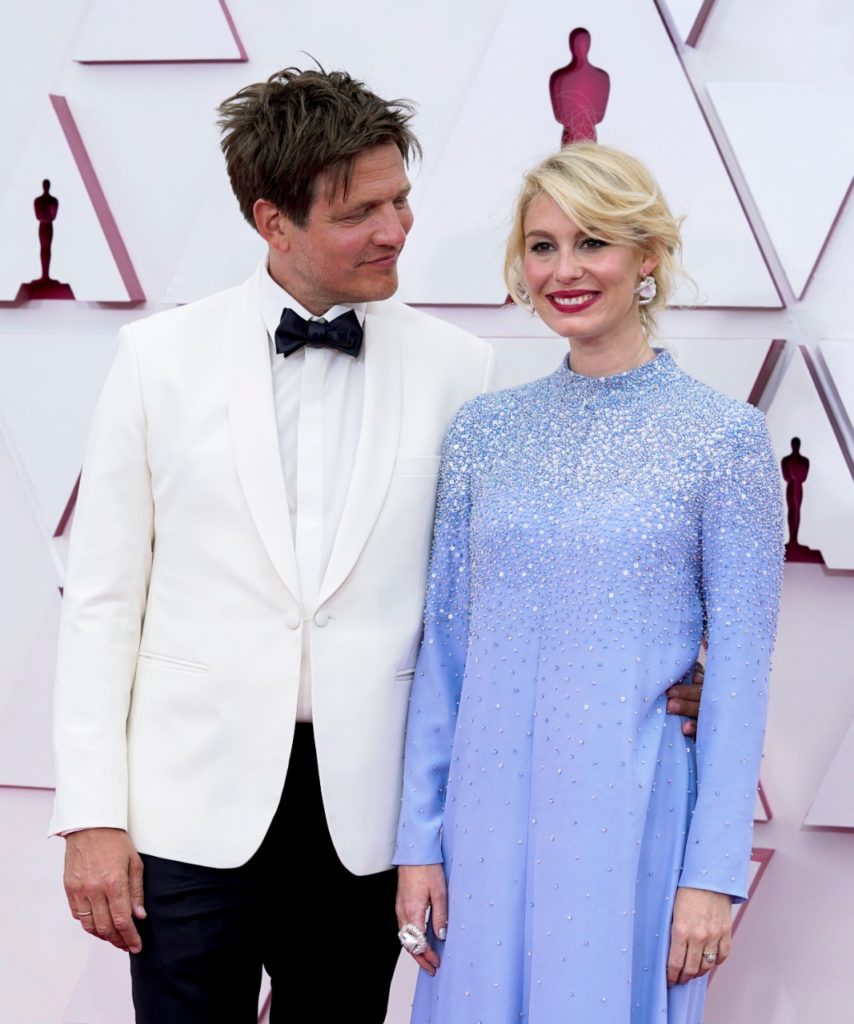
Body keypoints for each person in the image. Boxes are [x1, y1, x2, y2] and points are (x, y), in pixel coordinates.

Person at [51, 68, 701, 1021]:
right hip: (184, 814)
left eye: (400, 200)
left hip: (370, 819)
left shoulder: (461, 369)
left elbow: (511, 585)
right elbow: (102, 604)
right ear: (274, 222)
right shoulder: (157, 360)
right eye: (362, 212)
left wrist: (665, 669)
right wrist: (91, 816)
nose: (396, 229)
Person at [394, 143, 783, 1023]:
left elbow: (741, 673)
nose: (564, 270)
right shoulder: (483, 432)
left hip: (631, 819)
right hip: (482, 826)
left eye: (593, 242)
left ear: (648, 257)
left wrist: (712, 876)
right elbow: (445, 653)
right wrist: (419, 843)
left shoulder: (724, 440)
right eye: (543, 246)